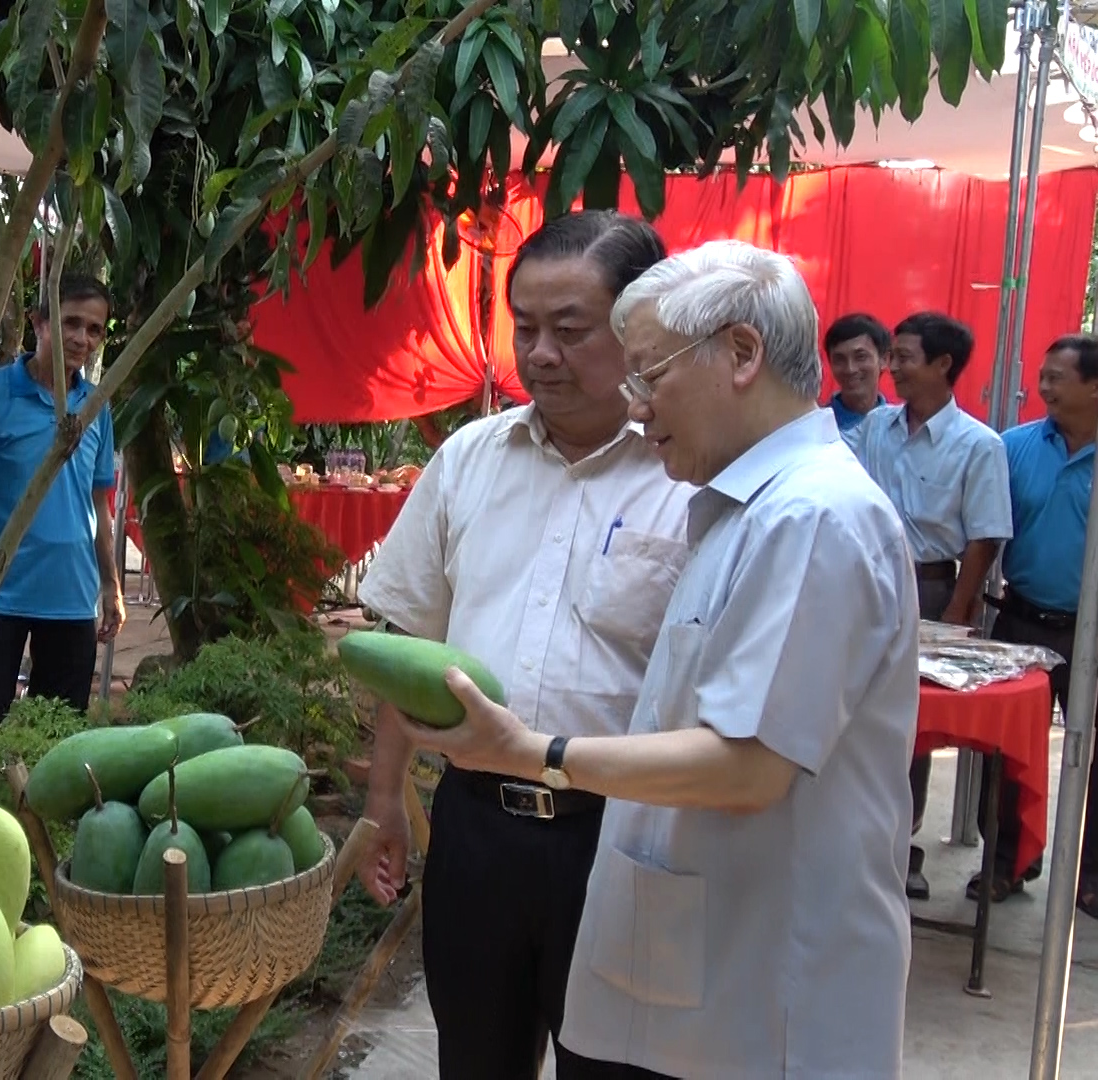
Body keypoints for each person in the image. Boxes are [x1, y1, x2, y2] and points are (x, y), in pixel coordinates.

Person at [403, 239, 920, 1077]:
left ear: (742, 354)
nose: (637, 406)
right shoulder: (742, 512)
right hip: (709, 945)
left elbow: (748, 766)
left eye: (650, 374)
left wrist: (536, 753)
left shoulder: (812, 519)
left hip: (774, 977)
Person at [356, 210, 692, 1080]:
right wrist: (384, 800)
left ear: (637, 329)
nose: (540, 354)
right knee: (475, 1061)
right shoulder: (470, 458)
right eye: (526, 327)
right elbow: (410, 641)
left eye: (570, 331)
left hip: (625, 843)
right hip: (478, 837)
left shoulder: (689, 478)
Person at [846, 310, 1012, 900]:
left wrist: (959, 609)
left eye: (905, 358)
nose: (892, 369)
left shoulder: (978, 445)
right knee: (862, 711)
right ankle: (872, 834)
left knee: (911, 720)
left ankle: (904, 839)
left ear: (943, 365)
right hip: (869, 582)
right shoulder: (874, 430)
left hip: (937, 588)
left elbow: (985, 535)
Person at [0, 275, 124, 790]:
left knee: (59, 746)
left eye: (94, 330)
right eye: (70, 322)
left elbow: (100, 504)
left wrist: (109, 583)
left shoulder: (96, 406)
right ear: (39, 321)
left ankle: (45, 855)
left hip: (70, 598)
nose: (81, 339)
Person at [976, 334, 1096, 906]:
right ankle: (1007, 861)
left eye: (1056, 377)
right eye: (1042, 375)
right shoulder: (1014, 447)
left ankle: (1090, 875)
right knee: (1006, 751)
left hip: (1092, 631)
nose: (1042, 386)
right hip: (1020, 623)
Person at [823, 311, 893, 431]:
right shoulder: (818, 427)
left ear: (884, 359)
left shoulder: (903, 427)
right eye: (840, 359)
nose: (850, 369)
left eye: (860, 357)